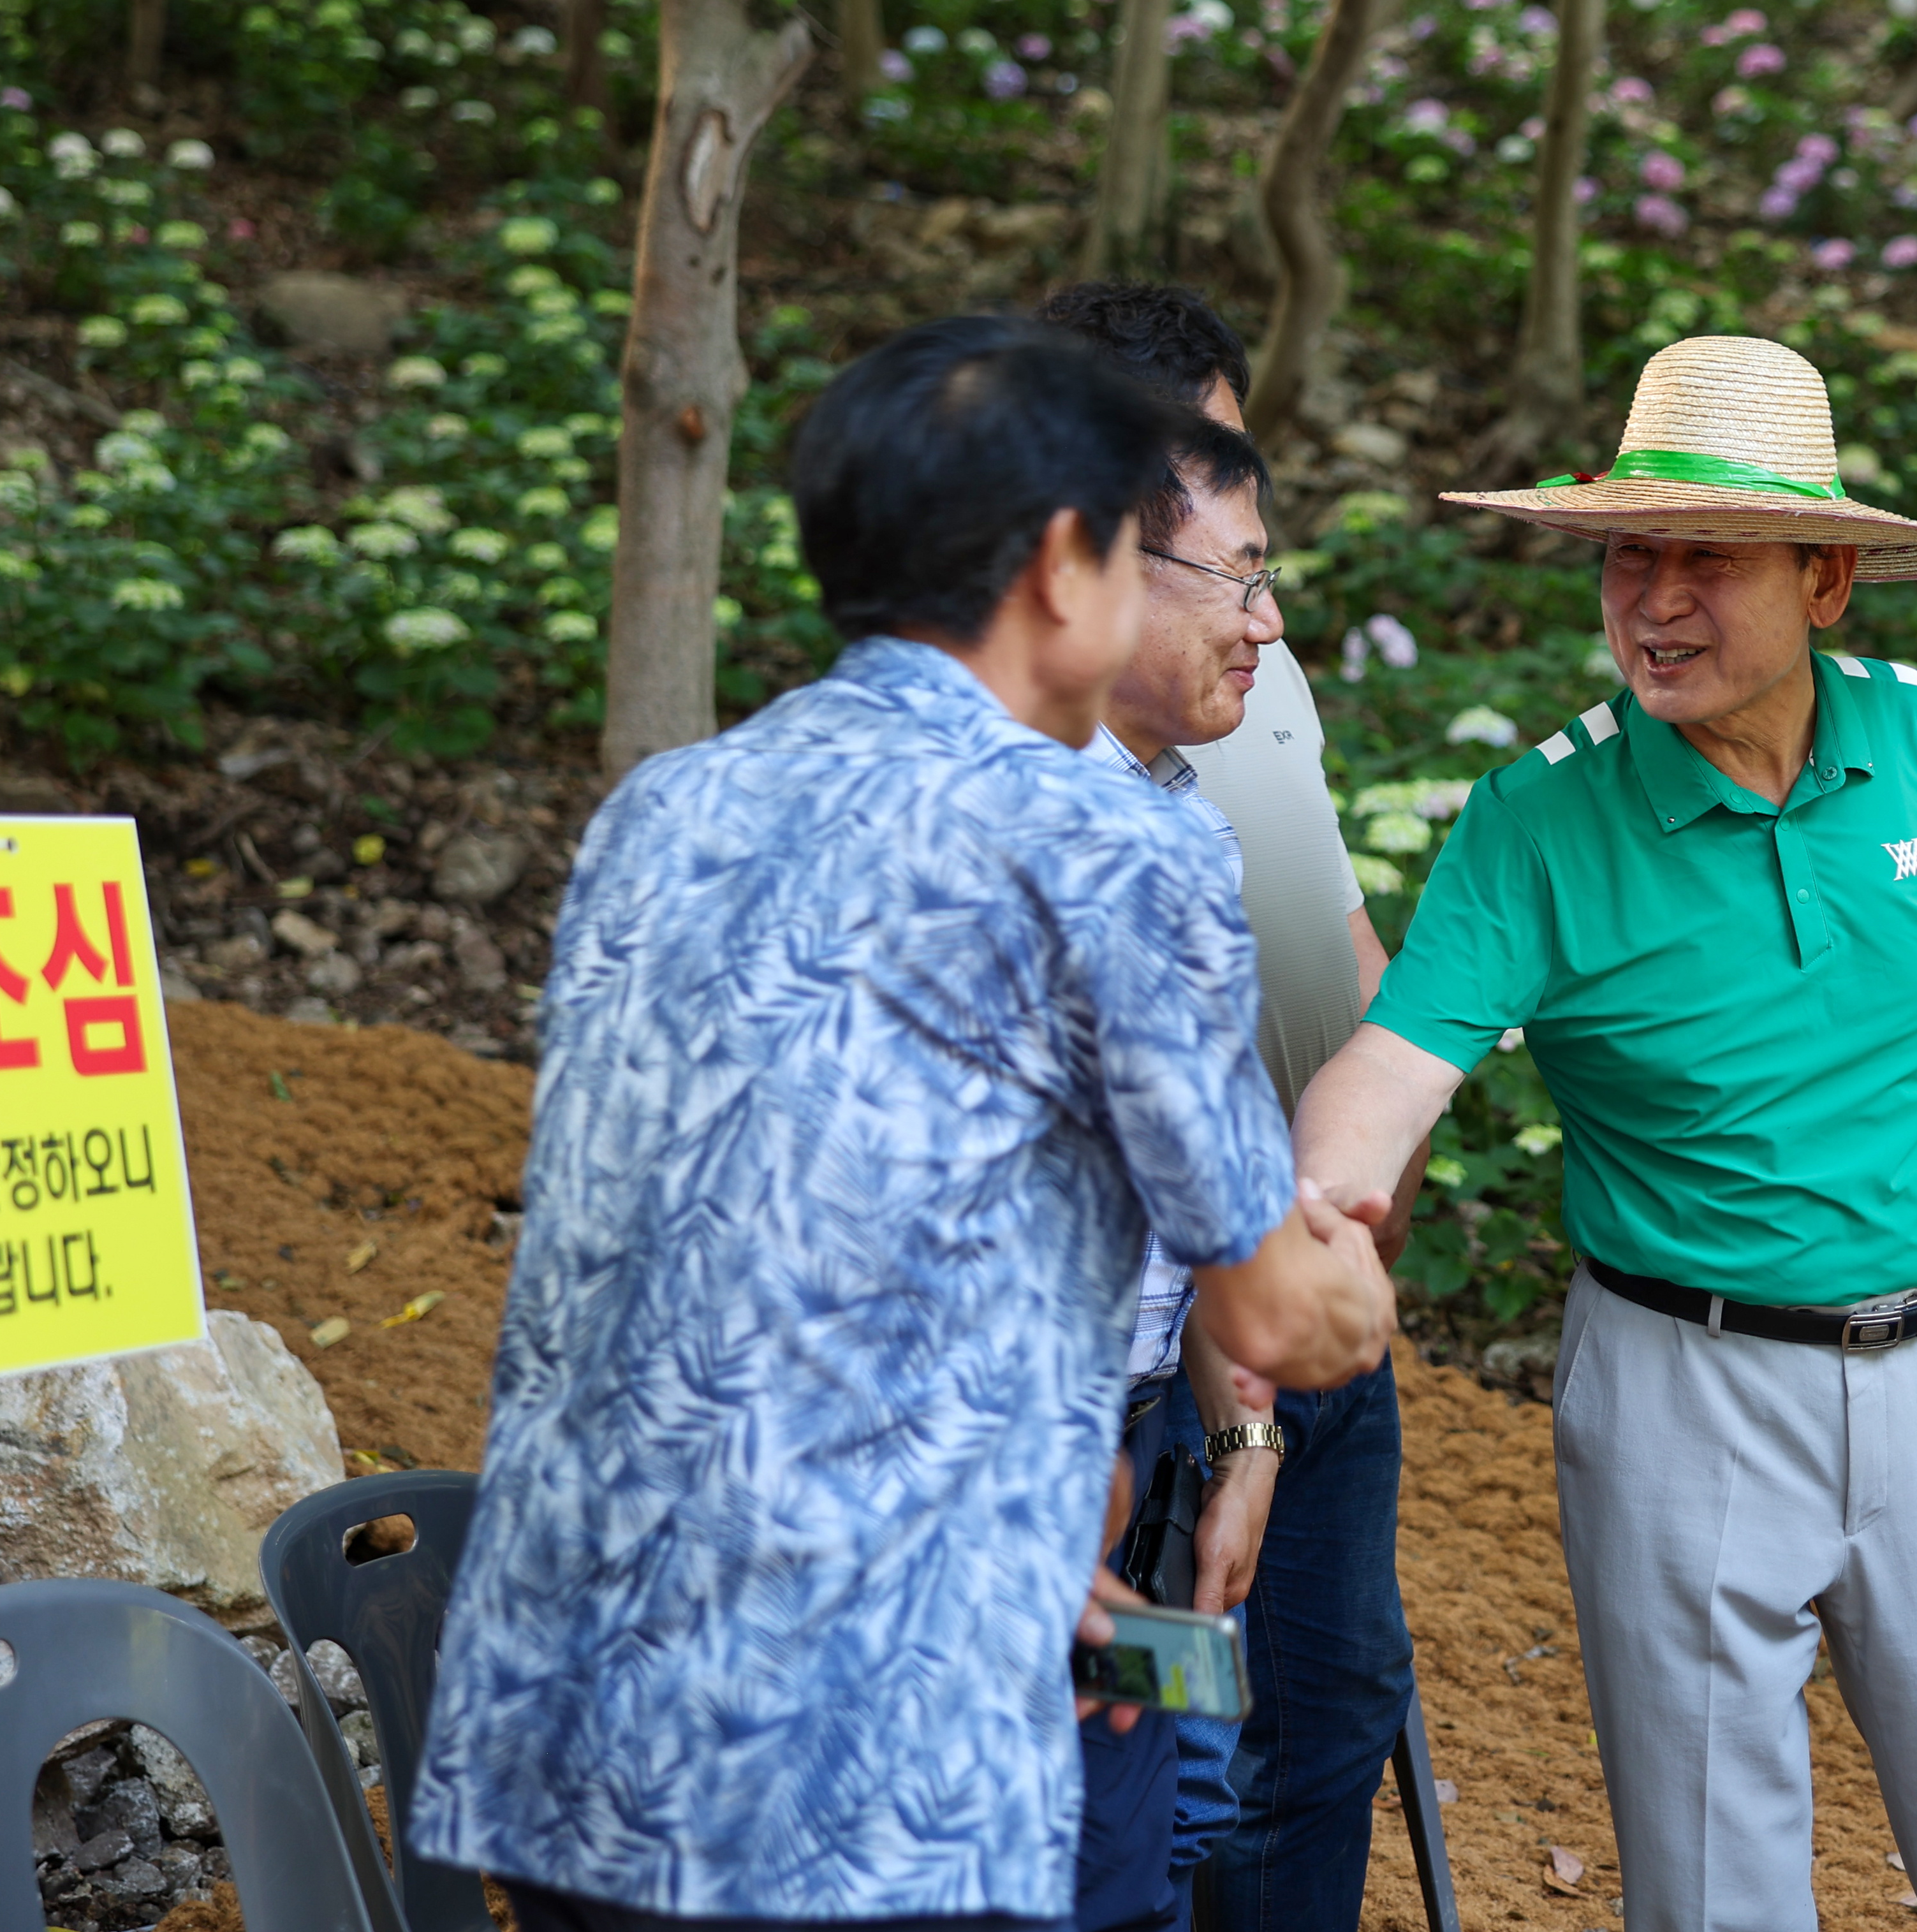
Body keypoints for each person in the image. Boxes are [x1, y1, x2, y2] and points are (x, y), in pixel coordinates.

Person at [410, 317, 1396, 1932]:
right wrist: (1344, 1267)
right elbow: (1281, 1304)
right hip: (852, 1771)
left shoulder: (665, 805)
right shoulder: (1104, 844)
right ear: (1064, 561)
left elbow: (747, 1250)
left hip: (562, 1722)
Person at [1290, 334, 1917, 1932]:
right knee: (1715, 1893)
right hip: (1685, 1395)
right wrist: (1308, 1216)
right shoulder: (1540, 816)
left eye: (1703, 560)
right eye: (1627, 556)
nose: (1651, 599)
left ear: (1828, 583)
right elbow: (1389, 1069)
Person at [1039, 281, 1414, 1932]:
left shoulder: (1218, 709)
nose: (1264, 614)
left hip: (1266, 1289)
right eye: (1230, 554)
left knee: (1312, 1719)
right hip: (1142, 1369)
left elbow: (1333, 928)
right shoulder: (1052, 820)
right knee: (1165, 1791)